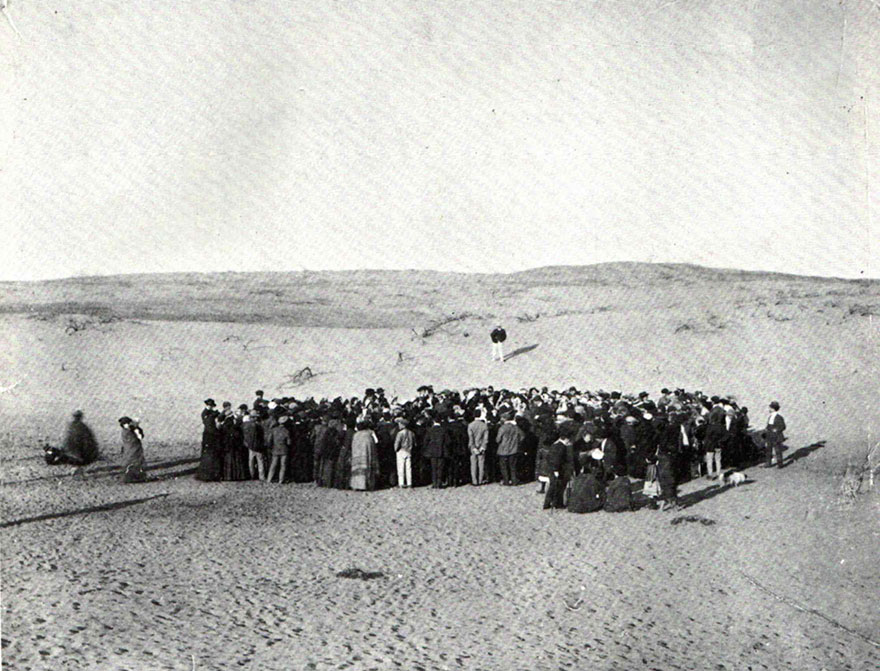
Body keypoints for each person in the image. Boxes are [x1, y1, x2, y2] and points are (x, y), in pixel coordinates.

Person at [196, 398, 222, 481]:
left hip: (209, 435)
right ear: (207, 405)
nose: (211, 407)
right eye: (210, 406)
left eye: (211, 406)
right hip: (209, 435)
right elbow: (208, 423)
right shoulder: (205, 413)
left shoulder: (209, 413)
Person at [495, 411, 524, 485]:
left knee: (504, 467)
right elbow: (522, 436)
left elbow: (498, 439)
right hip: (513, 449)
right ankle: (514, 481)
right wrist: (517, 442)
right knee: (513, 466)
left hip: (503, 450)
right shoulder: (515, 428)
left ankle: (506, 481)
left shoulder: (502, 428)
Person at [350, 420, 379, 491]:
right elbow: (374, 445)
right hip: (366, 456)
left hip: (357, 456)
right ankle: (366, 485)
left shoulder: (356, 435)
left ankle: (357, 485)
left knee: (357, 470)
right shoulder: (368, 435)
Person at [118, 416, 146, 483]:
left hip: (132, 450)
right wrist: (136, 429)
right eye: (126, 424)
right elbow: (137, 438)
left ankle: (134, 477)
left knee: (134, 462)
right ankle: (131, 477)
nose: (128, 425)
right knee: (132, 463)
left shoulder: (128, 430)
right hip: (132, 449)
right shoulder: (127, 432)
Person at [266, 415, 291, 484]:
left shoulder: (274, 430)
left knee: (273, 464)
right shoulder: (286, 431)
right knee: (283, 465)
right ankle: (281, 480)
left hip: (275, 448)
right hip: (284, 449)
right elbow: (289, 442)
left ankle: (269, 479)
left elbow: (269, 440)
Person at [467, 408, 489, 485]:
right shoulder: (484, 425)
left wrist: (473, 447)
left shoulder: (470, 425)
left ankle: (474, 481)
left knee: (473, 464)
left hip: (473, 447)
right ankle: (480, 480)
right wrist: (483, 446)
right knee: (481, 464)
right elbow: (485, 438)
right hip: (481, 446)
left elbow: (471, 437)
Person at [242, 409, 265, 481]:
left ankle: (252, 475)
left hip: (249, 446)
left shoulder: (245, 425)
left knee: (251, 461)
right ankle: (261, 476)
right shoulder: (258, 426)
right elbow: (261, 436)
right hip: (258, 446)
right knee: (260, 462)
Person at [763, 401, 787, 468]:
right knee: (768, 449)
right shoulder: (770, 416)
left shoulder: (779, 417)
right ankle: (768, 463)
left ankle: (780, 464)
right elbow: (768, 425)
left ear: (773, 409)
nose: (769, 409)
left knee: (778, 450)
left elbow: (783, 426)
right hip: (769, 435)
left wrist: (776, 430)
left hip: (776, 436)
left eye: (770, 408)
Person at [393, 417, 415, 488]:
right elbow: (415, 443)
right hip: (409, 451)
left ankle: (401, 483)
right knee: (408, 468)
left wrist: (395, 449)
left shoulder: (400, 433)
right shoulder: (411, 433)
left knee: (400, 468)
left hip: (401, 451)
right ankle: (409, 483)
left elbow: (397, 443)